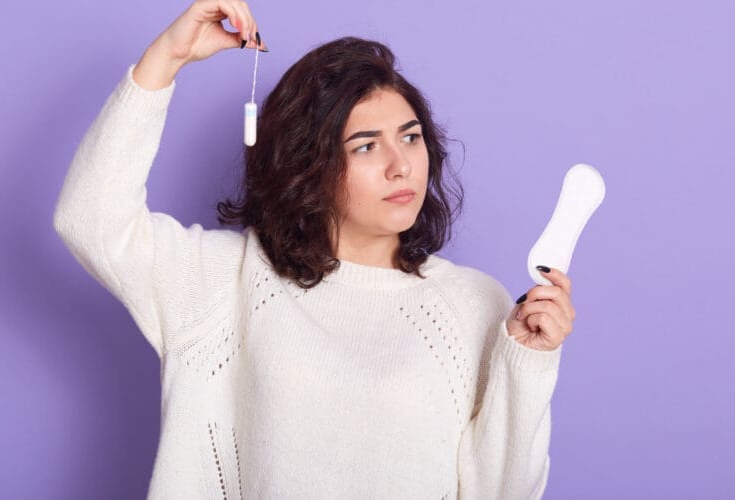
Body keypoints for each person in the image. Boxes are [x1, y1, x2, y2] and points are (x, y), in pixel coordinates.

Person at [53, 0, 576, 498]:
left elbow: (503, 493)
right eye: (366, 145)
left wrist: (526, 367)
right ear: (308, 166)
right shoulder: (221, 281)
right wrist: (166, 57)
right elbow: (90, 219)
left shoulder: (475, 304)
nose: (401, 165)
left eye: (411, 137)